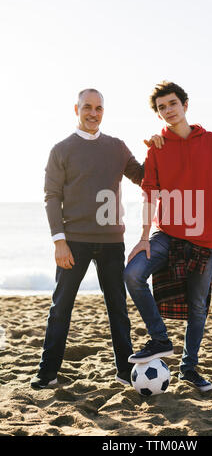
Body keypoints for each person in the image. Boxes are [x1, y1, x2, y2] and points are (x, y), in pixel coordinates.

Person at [30, 88, 160, 390]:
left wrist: (157, 150)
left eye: (99, 108)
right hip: (74, 241)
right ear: (76, 109)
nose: (93, 113)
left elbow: (144, 177)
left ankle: (123, 371)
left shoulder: (116, 147)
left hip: (112, 241)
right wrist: (58, 241)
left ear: (104, 111)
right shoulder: (61, 149)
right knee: (61, 306)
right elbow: (52, 196)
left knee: (117, 306)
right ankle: (47, 372)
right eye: (87, 107)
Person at [124, 81, 212, 392]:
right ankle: (160, 339)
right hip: (168, 233)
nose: (168, 110)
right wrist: (145, 235)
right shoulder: (157, 147)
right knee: (133, 274)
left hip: (206, 238)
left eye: (172, 104)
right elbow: (149, 192)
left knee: (198, 306)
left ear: (185, 105)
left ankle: (189, 367)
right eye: (162, 108)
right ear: (159, 114)